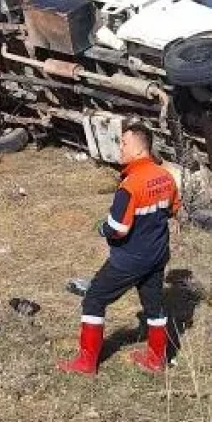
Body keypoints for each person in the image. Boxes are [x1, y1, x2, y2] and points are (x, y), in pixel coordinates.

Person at [58, 121, 181, 377]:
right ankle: (157, 360)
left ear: (139, 149)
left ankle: (86, 363)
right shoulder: (166, 176)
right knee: (154, 305)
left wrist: (101, 228)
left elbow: (118, 228)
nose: (120, 148)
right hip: (157, 255)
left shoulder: (130, 185)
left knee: (94, 299)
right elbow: (172, 210)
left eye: (124, 143)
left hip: (130, 259)